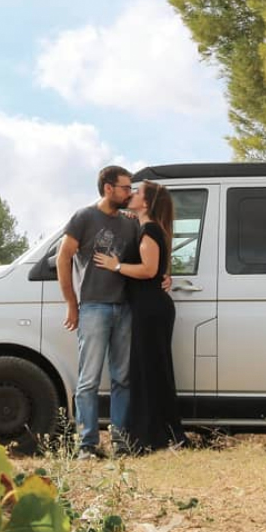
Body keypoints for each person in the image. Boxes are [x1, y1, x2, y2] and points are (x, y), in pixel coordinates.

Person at [57, 165, 142, 459]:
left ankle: (120, 442)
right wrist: (71, 302)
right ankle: (87, 445)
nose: (129, 192)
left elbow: (145, 258)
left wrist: (164, 275)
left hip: (124, 308)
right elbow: (63, 257)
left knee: (122, 378)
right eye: (125, 188)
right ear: (108, 188)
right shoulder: (84, 217)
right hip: (93, 307)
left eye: (131, 188)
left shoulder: (130, 223)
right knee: (88, 380)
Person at [93, 180, 185, 452]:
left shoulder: (150, 229)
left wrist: (116, 265)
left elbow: (148, 270)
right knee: (149, 370)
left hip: (151, 309)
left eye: (137, 192)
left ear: (146, 203)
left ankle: (164, 436)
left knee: (152, 371)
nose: (131, 194)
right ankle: (160, 435)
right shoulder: (144, 225)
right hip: (148, 307)